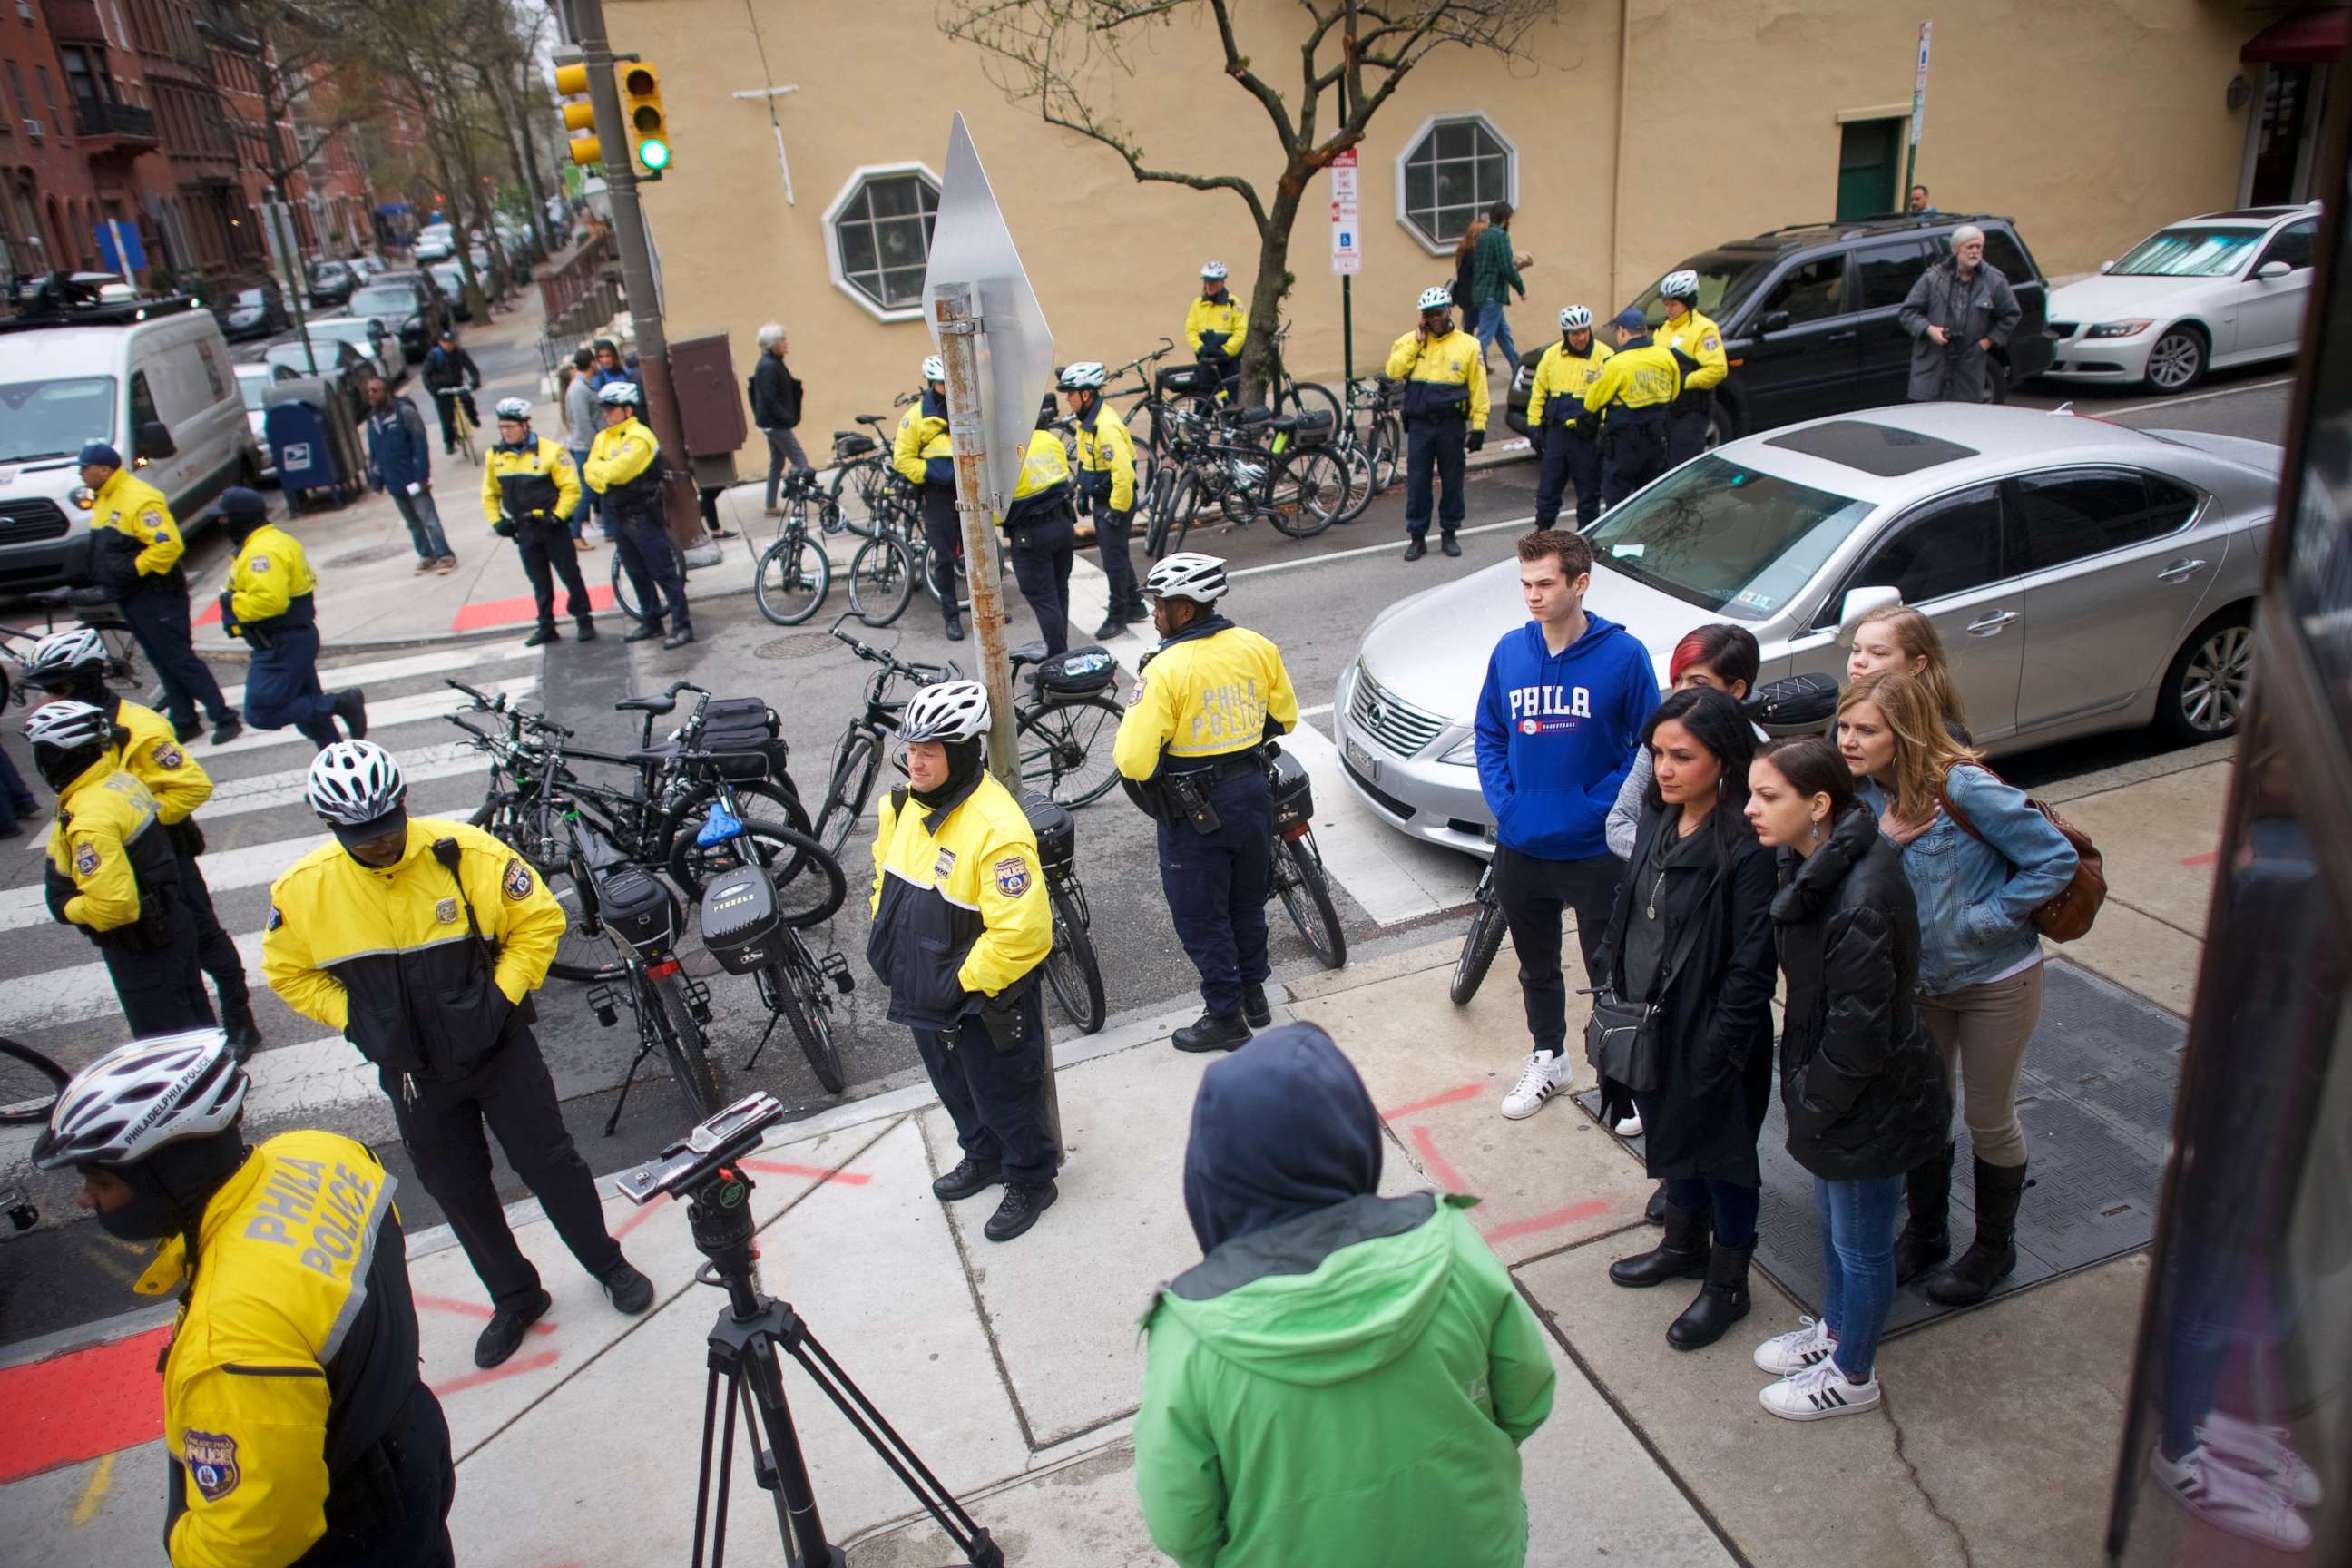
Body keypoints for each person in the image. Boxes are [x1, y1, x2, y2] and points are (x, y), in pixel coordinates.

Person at [263, 741, 654, 1367]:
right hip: (414, 1074)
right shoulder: (305, 891)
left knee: (551, 1162)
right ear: (332, 826)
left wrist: (498, 999)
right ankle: (516, 1296)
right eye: (362, 838)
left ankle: (606, 1264)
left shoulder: (468, 853)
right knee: (457, 1189)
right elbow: (289, 975)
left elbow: (539, 922)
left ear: (403, 805)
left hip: (499, 1052)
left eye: (387, 830)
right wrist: (359, 1023)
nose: (380, 845)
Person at [1134, 1023, 1555, 1568]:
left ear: (1212, 1169)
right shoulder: (1451, 1246)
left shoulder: (1191, 1335)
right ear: (1354, 1131)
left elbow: (1180, 1523)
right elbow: (1526, 1397)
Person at [31, 1031, 457, 1566]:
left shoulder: (230, 1343)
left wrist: (181, 1542)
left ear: (167, 1174)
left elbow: (252, 1542)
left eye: (100, 1180)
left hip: (353, 1524)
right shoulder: (321, 1151)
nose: (85, 1197)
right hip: (411, 1432)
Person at [1837, 671, 2078, 1306]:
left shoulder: (1963, 787)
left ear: (1906, 732)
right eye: (1845, 728)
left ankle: (1995, 1250)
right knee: (1927, 1112)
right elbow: (1840, 876)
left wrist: (1985, 919)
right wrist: (1882, 844)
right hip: (1918, 983)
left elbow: (2055, 859)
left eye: (1866, 730)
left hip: (1995, 978)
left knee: (1988, 1115)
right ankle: (1928, 1235)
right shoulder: (1861, 798)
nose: (1849, 741)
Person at [1744, 735, 1950, 1421]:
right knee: (1838, 1227)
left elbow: (1858, 1034)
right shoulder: (1820, 863)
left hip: (1865, 1100)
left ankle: (1853, 1374)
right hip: (1838, 1091)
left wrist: (1812, 1101)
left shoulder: (1857, 894)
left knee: (1860, 1246)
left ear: (1820, 804)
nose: (1751, 809)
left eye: (1768, 796)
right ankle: (1834, 1334)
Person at [1593, 690, 1778, 1350]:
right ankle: (1682, 1244)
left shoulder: (1749, 845)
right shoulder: (1658, 816)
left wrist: (1720, 1048)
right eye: (1656, 754)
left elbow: (1753, 963)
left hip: (1712, 1034)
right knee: (1674, 1143)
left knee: (1725, 1160)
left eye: (1681, 756)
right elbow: (1630, 902)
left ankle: (1728, 1285)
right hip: (1647, 1021)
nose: (1663, 769)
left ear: (1724, 760)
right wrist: (1607, 982)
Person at [1473, 528, 1658, 1119]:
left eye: (1545, 583)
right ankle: (1549, 1056)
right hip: (1523, 847)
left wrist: (1598, 805)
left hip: (1594, 850)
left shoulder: (1624, 657)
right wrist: (1509, 802)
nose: (1532, 595)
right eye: (1525, 583)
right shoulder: (1509, 650)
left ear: (1580, 582)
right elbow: (1490, 732)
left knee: (1610, 971)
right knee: (1536, 969)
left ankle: (1620, 1083)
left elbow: (1650, 745)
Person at [865, 681, 1060, 1242]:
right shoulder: (903, 804)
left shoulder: (996, 829)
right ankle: (983, 1155)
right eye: (911, 749)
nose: (915, 762)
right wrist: (889, 945)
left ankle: (1029, 1177)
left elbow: (1023, 934)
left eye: (930, 751)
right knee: (953, 1085)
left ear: (965, 752)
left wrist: (958, 983)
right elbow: (884, 876)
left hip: (979, 997)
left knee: (1005, 1090)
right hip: (924, 988)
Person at [27, 622, 272, 1054]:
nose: (49, 699)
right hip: (122, 860)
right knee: (171, 958)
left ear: (84, 679)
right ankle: (200, 1036)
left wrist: (140, 825)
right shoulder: (73, 727)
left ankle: (240, 1020)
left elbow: (192, 787)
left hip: (162, 853)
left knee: (204, 938)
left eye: (58, 687)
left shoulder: (141, 727)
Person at [1114, 553, 1301, 1053]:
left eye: (1160, 605)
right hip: (1252, 794)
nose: (1155, 614)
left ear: (1187, 610)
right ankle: (1254, 996)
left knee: (1202, 915)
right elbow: (1284, 718)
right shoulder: (1256, 646)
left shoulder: (1166, 669)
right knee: (1247, 901)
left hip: (1194, 808)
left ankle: (1225, 1018)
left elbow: (1132, 761)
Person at [31, 700, 213, 1034]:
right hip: (172, 920)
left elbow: (115, 906)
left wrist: (66, 906)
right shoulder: (119, 782)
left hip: (143, 944)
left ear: (56, 757)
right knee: (196, 1017)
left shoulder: (90, 818)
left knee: (166, 1038)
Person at [76, 441, 241, 745]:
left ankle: (224, 716)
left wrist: (133, 570)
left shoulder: (139, 498)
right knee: (160, 658)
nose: (81, 475)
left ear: (103, 469)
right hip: (132, 594)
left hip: (156, 593)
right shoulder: (103, 498)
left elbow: (168, 545)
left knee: (178, 658)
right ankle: (185, 720)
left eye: (84, 468)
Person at [211, 487, 368, 752]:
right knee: (312, 718)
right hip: (292, 639)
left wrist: (230, 602)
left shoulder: (262, 553)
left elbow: (269, 602)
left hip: (280, 644)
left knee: (261, 712)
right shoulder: (272, 540)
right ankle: (340, 767)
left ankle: (341, 702)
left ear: (241, 518)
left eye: (225, 519)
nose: (221, 524)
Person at [1607, 623, 1762, 861]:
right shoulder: (1662, 738)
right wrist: (1668, 862)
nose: (1682, 692)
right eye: (1678, 680)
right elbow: (1619, 823)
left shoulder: (1764, 756)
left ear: (1737, 689)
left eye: (1698, 683)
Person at [584, 379, 692, 649]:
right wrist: (604, 475)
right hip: (618, 514)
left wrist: (604, 473)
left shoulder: (640, 437)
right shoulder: (602, 438)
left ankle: (682, 626)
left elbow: (617, 472)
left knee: (663, 571)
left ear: (628, 410)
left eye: (612, 409)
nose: (606, 414)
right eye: (604, 409)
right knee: (635, 571)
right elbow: (590, 473)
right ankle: (651, 620)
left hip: (643, 514)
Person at [482, 397, 596, 648]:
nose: (506, 432)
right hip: (524, 530)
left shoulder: (551, 452)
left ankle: (583, 618)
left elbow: (571, 488)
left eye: (510, 426)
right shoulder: (496, 457)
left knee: (570, 575)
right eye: (502, 427)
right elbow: (489, 493)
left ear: (525, 425)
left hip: (552, 527)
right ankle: (546, 625)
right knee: (539, 581)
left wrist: (559, 515)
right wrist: (497, 520)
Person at [1387, 285, 1489, 562]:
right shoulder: (1411, 342)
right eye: (1428, 315)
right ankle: (1417, 537)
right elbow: (1393, 371)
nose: (1434, 320)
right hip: (1420, 424)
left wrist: (1479, 425)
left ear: (1448, 312)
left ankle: (1449, 533)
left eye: (1438, 314)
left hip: (1450, 424)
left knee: (1452, 480)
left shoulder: (1468, 345)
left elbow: (1479, 387)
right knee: (1418, 482)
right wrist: (1415, 343)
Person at [1062, 362, 1145, 638]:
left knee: (1113, 560)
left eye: (1070, 393)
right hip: (1102, 498)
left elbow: (1123, 472)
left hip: (1115, 500)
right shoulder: (1088, 423)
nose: (1067, 399)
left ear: (1086, 394)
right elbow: (1087, 460)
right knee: (1117, 554)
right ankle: (1135, 605)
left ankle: (1117, 615)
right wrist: (1084, 493)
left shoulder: (1106, 426)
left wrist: (1118, 510)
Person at [1898, 224, 2021, 404]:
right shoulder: (1933, 278)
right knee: (1928, 418)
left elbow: (2011, 315)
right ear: (1956, 250)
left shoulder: (1993, 280)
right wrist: (1929, 329)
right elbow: (1908, 313)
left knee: (1962, 418)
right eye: (1969, 247)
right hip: (1933, 361)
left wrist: (1986, 342)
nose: (1975, 252)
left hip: (1969, 361)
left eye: (1979, 247)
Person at [1002, 397, 1080, 659]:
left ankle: (1058, 660)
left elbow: (997, 506)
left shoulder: (1011, 450)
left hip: (1031, 536)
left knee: (1044, 599)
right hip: (1063, 526)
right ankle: (1060, 649)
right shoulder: (1051, 441)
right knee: (1059, 592)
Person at [894, 356, 965, 640]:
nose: (946, 388)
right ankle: (951, 616)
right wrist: (934, 472)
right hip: (938, 496)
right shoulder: (915, 417)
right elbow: (902, 459)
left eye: (949, 382)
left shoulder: (965, 406)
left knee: (982, 554)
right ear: (931, 383)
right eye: (940, 383)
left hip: (969, 490)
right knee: (945, 558)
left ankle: (987, 606)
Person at [1525, 304, 1613, 529]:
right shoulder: (1552, 355)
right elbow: (1538, 392)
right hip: (1557, 434)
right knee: (1548, 490)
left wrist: (1603, 428)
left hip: (1587, 436)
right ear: (1566, 334)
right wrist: (1534, 425)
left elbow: (1611, 396)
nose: (1581, 337)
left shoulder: (1604, 355)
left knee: (1589, 494)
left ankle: (1586, 538)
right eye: (1575, 333)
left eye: (1584, 331)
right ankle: (1542, 535)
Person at [1584, 308, 1682, 506]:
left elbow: (1591, 403)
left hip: (1624, 446)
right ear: (1645, 331)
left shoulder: (1617, 364)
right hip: (1656, 440)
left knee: (1617, 504)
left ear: (1622, 331)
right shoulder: (1665, 357)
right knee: (1650, 501)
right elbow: (1674, 393)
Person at [362, 377, 458, 575]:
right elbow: (375, 453)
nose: (371, 394)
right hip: (393, 481)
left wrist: (422, 476)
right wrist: (377, 481)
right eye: (369, 391)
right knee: (412, 523)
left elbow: (420, 446)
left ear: (387, 391)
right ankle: (426, 556)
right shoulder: (372, 420)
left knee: (428, 519)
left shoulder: (405, 413)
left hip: (413, 478)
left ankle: (445, 555)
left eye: (375, 390)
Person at [1846, 603, 1970, 742]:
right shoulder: (1846, 713)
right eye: (1856, 650)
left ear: (1915, 665)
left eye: (1878, 653)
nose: (1859, 661)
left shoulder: (1941, 736)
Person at [1655, 270, 1729, 467]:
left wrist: (1685, 381)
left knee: (1682, 466)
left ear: (1688, 302)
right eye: (1666, 303)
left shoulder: (1704, 329)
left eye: (1674, 304)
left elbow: (1717, 369)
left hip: (1691, 411)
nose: (1669, 309)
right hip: (1666, 410)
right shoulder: (1664, 329)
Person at [752, 321, 811, 517]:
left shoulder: (772, 363)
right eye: (782, 340)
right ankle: (812, 500)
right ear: (772, 344)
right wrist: (786, 417)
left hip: (770, 422)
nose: (786, 343)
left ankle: (770, 505)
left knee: (777, 462)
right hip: (776, 423)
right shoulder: (769, 365)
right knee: (800, 461)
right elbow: (769, 397)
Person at [1467, 201, 1530, 378]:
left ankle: (1518, 369)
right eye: (1509, 218)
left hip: (1481, 292)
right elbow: (1506, 267)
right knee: (1483, 339)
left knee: (1504, 335)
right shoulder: (1500, 237)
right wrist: (1521, 289)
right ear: (1504, 218)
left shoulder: (1483, 235)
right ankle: (1468, 376)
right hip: (1493, 294)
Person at [1183, 261, 1248, 405]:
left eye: (1213, 282)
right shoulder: (1197, 304)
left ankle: (1231, 425)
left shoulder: (1234, 303)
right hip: (1206, 360)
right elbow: (1190, 330)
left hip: (1229, 362)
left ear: (1222, 282)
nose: (1209, 285)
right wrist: (1200, 347)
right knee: (1204, 400)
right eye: (1207, 281)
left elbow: (1241, 331)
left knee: (1231, 401)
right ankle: (1200, 426)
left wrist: (1226, 350)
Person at [420, 328, 482, 456]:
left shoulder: (460, 353)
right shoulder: (434, 356)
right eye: (445, 342)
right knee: (446, 418)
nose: (448, 345)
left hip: (457, 385)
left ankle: (473, 418)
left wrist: (474, 382)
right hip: (442, 390)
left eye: (450, 342)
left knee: (468, 400)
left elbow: (472, 369)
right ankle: (449, 443)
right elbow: (426, 374)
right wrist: (433, 389)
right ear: (440, 343)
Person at [561, 348, 599, 549]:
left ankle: (607, 528)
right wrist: (596, 445)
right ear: (592, 363)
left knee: (594, 489)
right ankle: (574, 533)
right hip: (585, 447)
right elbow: (583, 421)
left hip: (585, 445)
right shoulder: (579, 389)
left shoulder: (583, 386)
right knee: (588, 490)